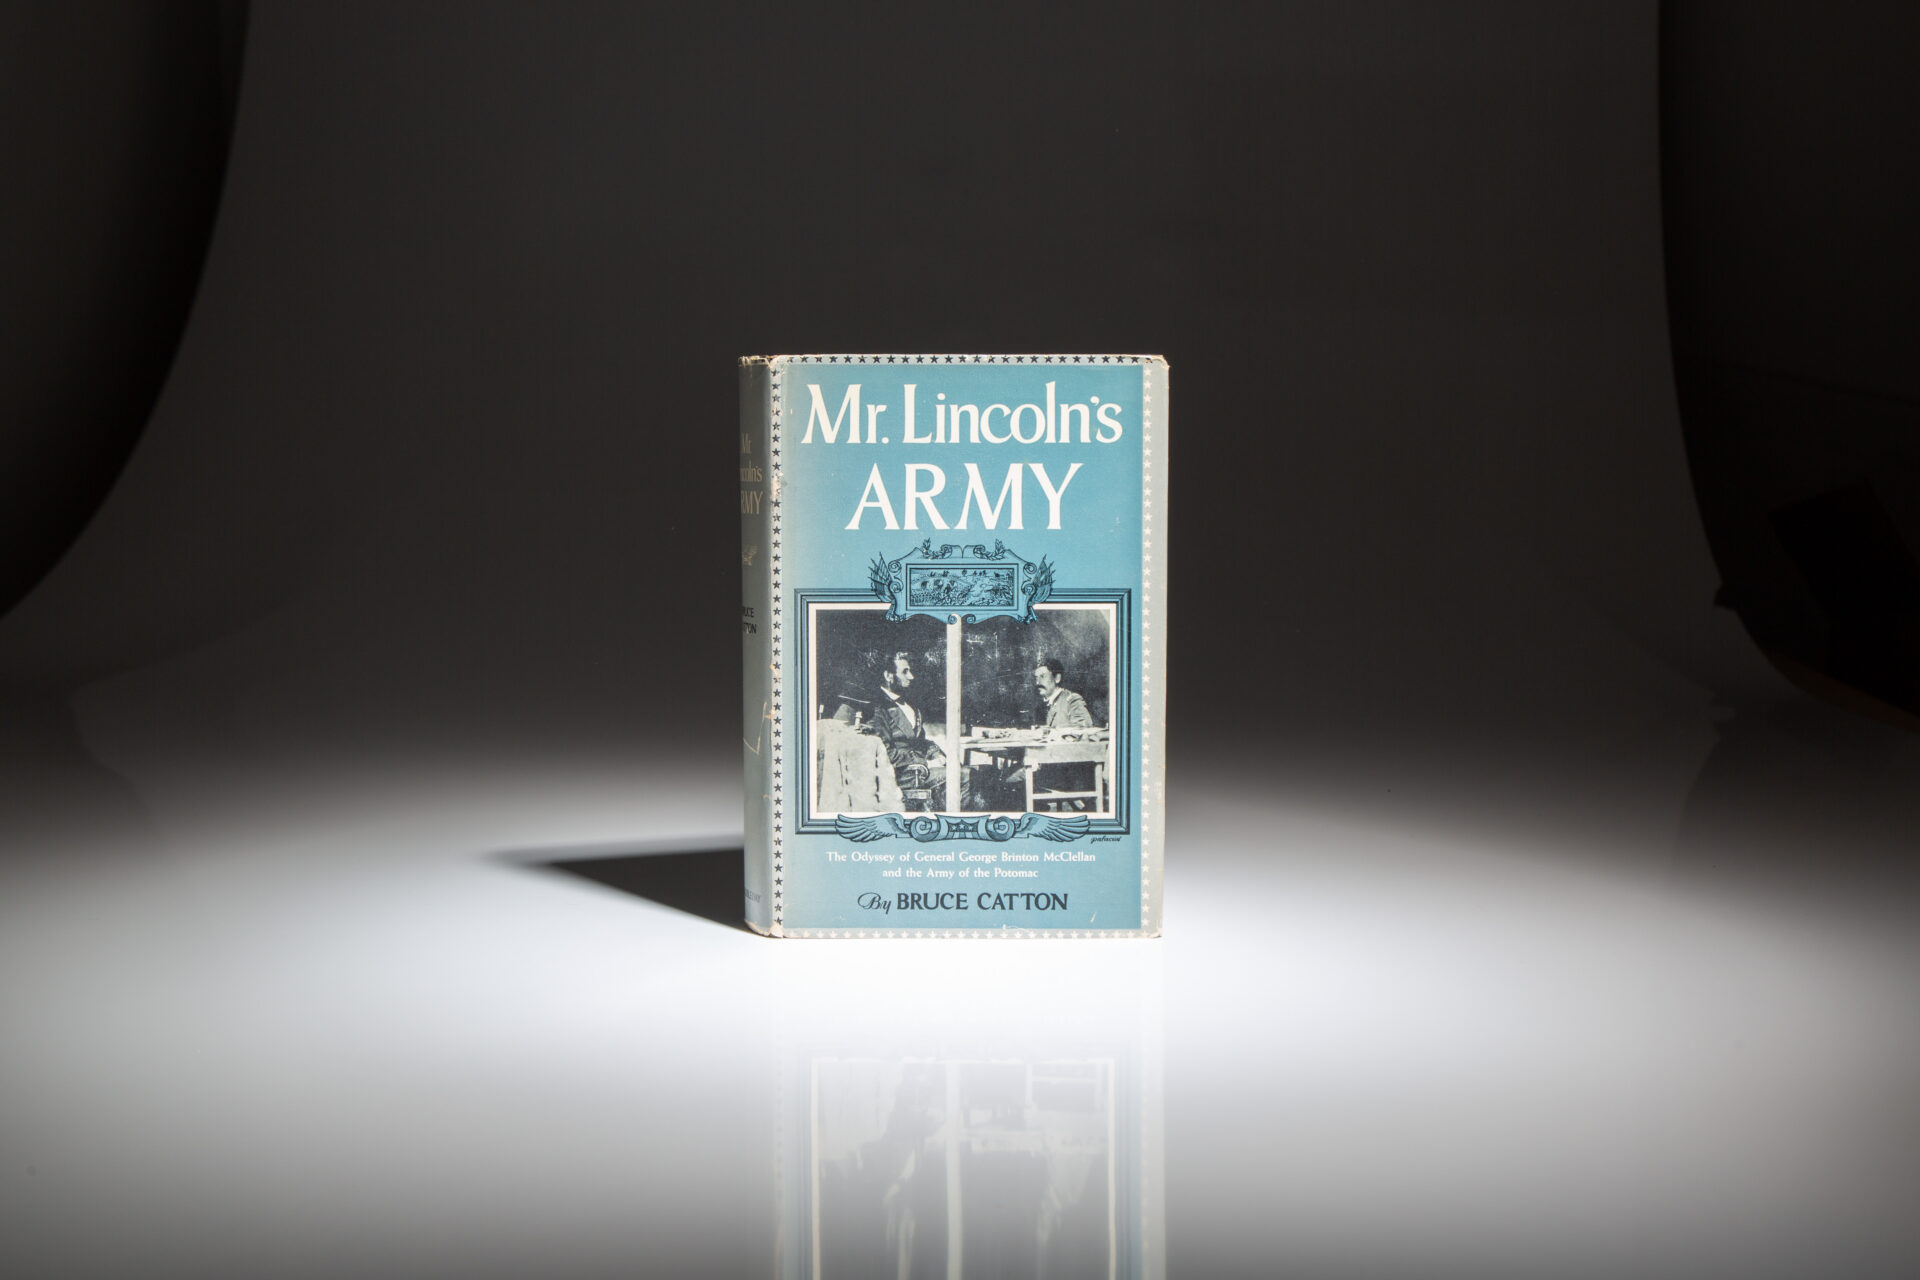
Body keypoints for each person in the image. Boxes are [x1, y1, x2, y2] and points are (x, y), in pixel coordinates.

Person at [870, 651, 952, 810]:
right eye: (905, 672)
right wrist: (925, 762)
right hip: (904, 776)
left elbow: (920, 741)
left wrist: (936, 754)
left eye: (910, 671)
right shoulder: (879, 708)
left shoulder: (908, 705)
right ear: (888, 675)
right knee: (966, 777)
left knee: (977, 773)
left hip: (920, 771)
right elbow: (884, 752)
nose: (911, 676)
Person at [1033, 658, 1094, 732]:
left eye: (1043, 676)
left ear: (1057, 678)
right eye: (1036, 678)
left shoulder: (1072, 700)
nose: (1037, 682)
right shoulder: (1041, 705)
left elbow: (1084, 730)